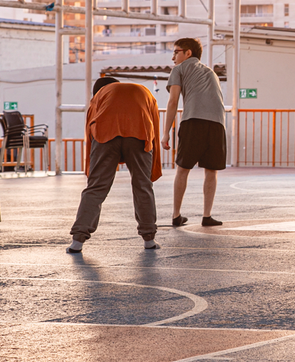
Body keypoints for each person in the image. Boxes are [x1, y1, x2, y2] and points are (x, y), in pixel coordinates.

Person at [67, 78, 163, 253]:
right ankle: (149, 239)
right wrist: (154, 164)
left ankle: (77, 241)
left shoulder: (100, 96)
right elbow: (155, 126)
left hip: (105, 133)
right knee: (142, 186)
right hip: (140, 133)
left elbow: (90, 128)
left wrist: (91, 170)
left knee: (96, 188)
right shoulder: (143, 90)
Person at [163, 38, 226, 228]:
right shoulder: (211, 72)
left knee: (183, 169)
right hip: (217, 124)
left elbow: (173, 101)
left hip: (193, 121)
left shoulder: (179, 70)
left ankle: (176, 216)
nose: (173, 57)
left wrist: (165, 133)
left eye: (176, 52)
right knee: (211, 170)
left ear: (188, 53)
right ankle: (207, 216)